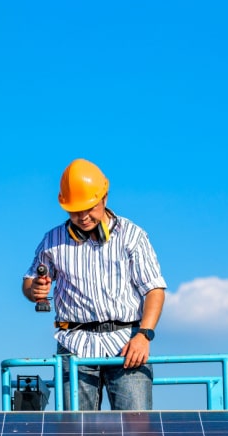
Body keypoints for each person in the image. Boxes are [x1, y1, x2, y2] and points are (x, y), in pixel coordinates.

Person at [22, 158, 166, 410]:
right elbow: (29, 281)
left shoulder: (132, 235)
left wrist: (144, 335)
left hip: (127, 344)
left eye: (89, 208)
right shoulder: (52, 240)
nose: (83, 217)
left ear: (105, 198)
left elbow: (154, 290)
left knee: (135, 432)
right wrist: (34, 290)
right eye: (75, 211)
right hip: (73, 345)